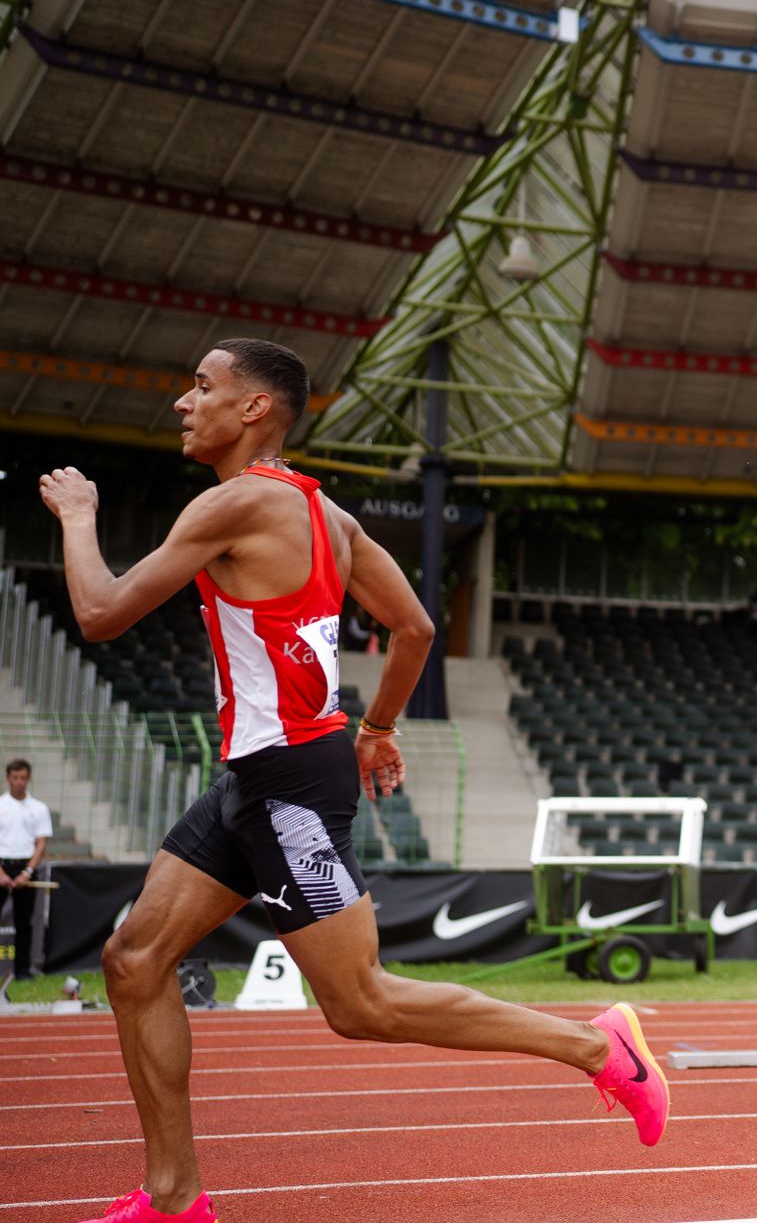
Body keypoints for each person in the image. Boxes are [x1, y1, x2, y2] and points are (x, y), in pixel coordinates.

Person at [40, 340, 668, 1223]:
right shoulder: (328, 516)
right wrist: (375, 730)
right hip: (265, 773)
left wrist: (76, 515)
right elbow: (412, 628)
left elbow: (101, 613)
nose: (185, 403)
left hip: (290, 780)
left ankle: (598, 1048)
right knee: (134, 960)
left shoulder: (233, 504)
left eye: (204, 387)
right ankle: (175, 1196)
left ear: (254, 408)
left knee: (359, 1001)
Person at [0, 759, 52, 978]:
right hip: (2, 865)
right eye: (15, 777)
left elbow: (41, 844)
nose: (19, 782)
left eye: (23, 778)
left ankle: (22, 971)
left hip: (26, 867)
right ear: (8, 778)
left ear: (28, 779)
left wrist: (27, 872)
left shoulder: (38, 808)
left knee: (24, 923)